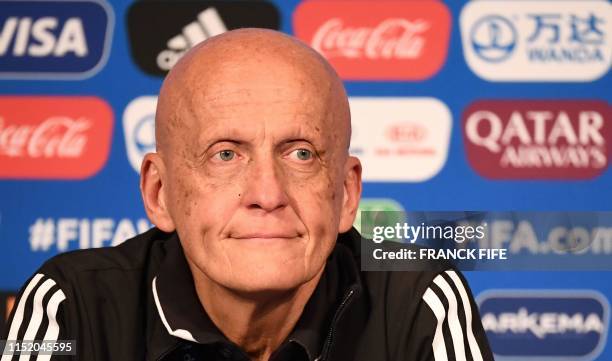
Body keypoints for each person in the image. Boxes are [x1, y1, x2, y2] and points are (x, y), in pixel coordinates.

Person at [1, 29, 494, 361]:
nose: (266, 193)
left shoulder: (419, 301)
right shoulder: (70, 305)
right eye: (225, 155)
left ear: (346, 195)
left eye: (301, 154)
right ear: (159, 192)